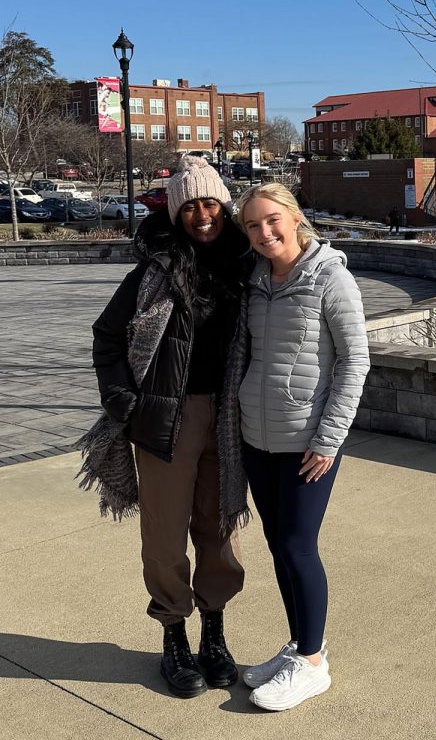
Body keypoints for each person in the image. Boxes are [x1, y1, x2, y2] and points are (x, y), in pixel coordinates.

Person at [78, 155, 253, 699]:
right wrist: (122, 400)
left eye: (211, 204)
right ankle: (174, 636)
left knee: (219, 529)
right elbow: (107, 336)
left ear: (224, 207)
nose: (203, 216)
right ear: (177, 213)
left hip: (227, 418)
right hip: (164, 419)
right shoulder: (151, 274)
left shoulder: (246, 268)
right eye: (191, 207)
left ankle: (214, 632)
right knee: (164, 535)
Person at [229, 183, 369, 712]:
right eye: (252, 226)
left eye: (272, 221)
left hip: (308, 440)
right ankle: (298, 646)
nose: (264, 233)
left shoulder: (331, 278)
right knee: (278, 545)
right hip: (257, 437)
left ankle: (312, 663)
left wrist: (329, 439)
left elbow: (356, 363)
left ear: (293, 217)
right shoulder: (256, 280)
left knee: (297, 545)